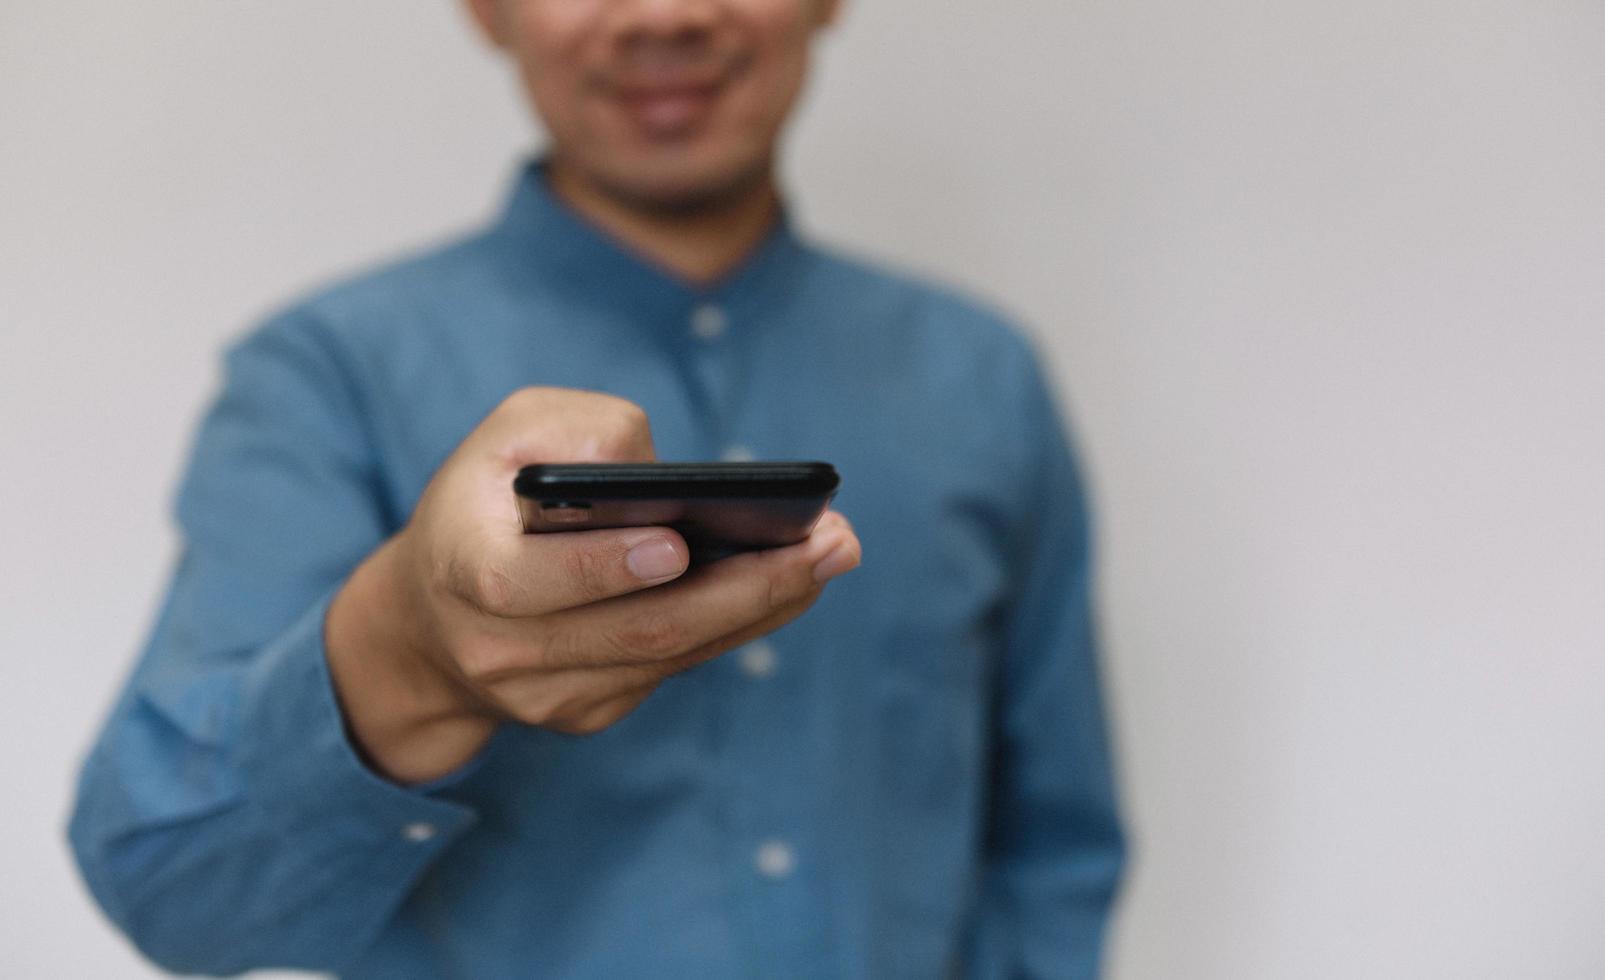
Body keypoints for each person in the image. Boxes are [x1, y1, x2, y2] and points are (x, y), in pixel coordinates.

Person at [68, 0, 1126, 976]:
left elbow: (1057, 846)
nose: (664, 14)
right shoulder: (326, 372)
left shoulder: (983, 375)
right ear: (487, 8)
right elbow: (169, 884)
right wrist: (405, 645)